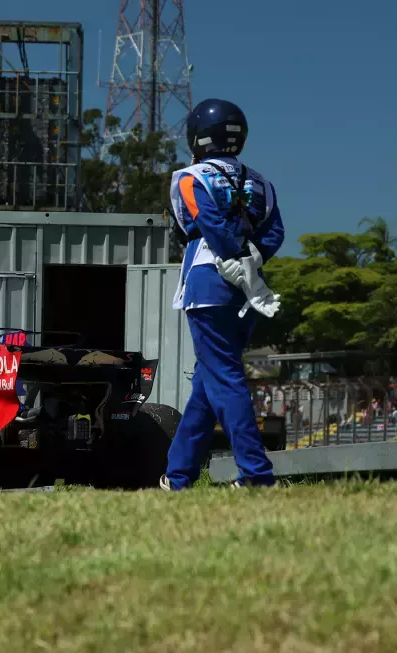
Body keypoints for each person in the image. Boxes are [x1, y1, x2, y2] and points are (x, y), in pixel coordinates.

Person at [160, 98, 285, 491]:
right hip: (249, 290)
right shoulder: (263, 182)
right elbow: (275, 232)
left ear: (197, 136)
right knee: (208, 382)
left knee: (225, 378)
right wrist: (251, 257)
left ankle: (256, 475)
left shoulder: (189, 177)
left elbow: (204, 222)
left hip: (208, 283)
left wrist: (230, 254)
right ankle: (178, 477)